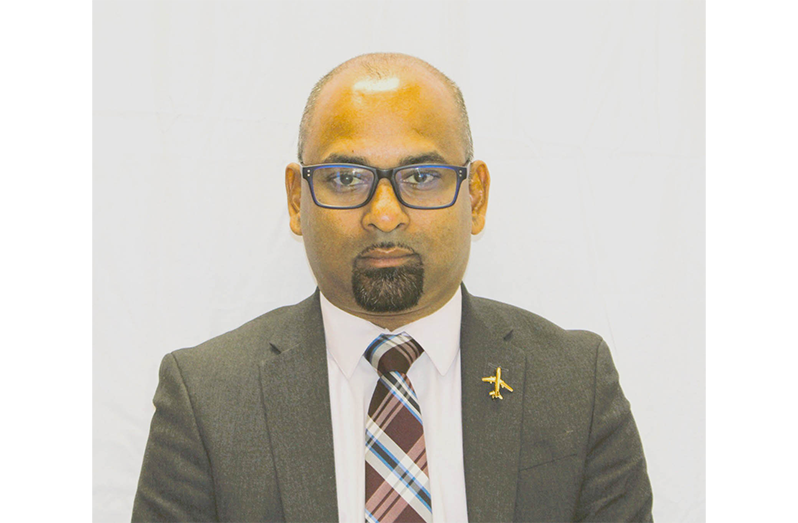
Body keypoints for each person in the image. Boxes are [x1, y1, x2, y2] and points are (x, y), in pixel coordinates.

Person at [132, 53, 653, 523]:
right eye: (345, 178)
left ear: (475, 197)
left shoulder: (574, 385)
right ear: (296, 199)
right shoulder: (207, 400)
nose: (384, 214)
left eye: (422, 177)